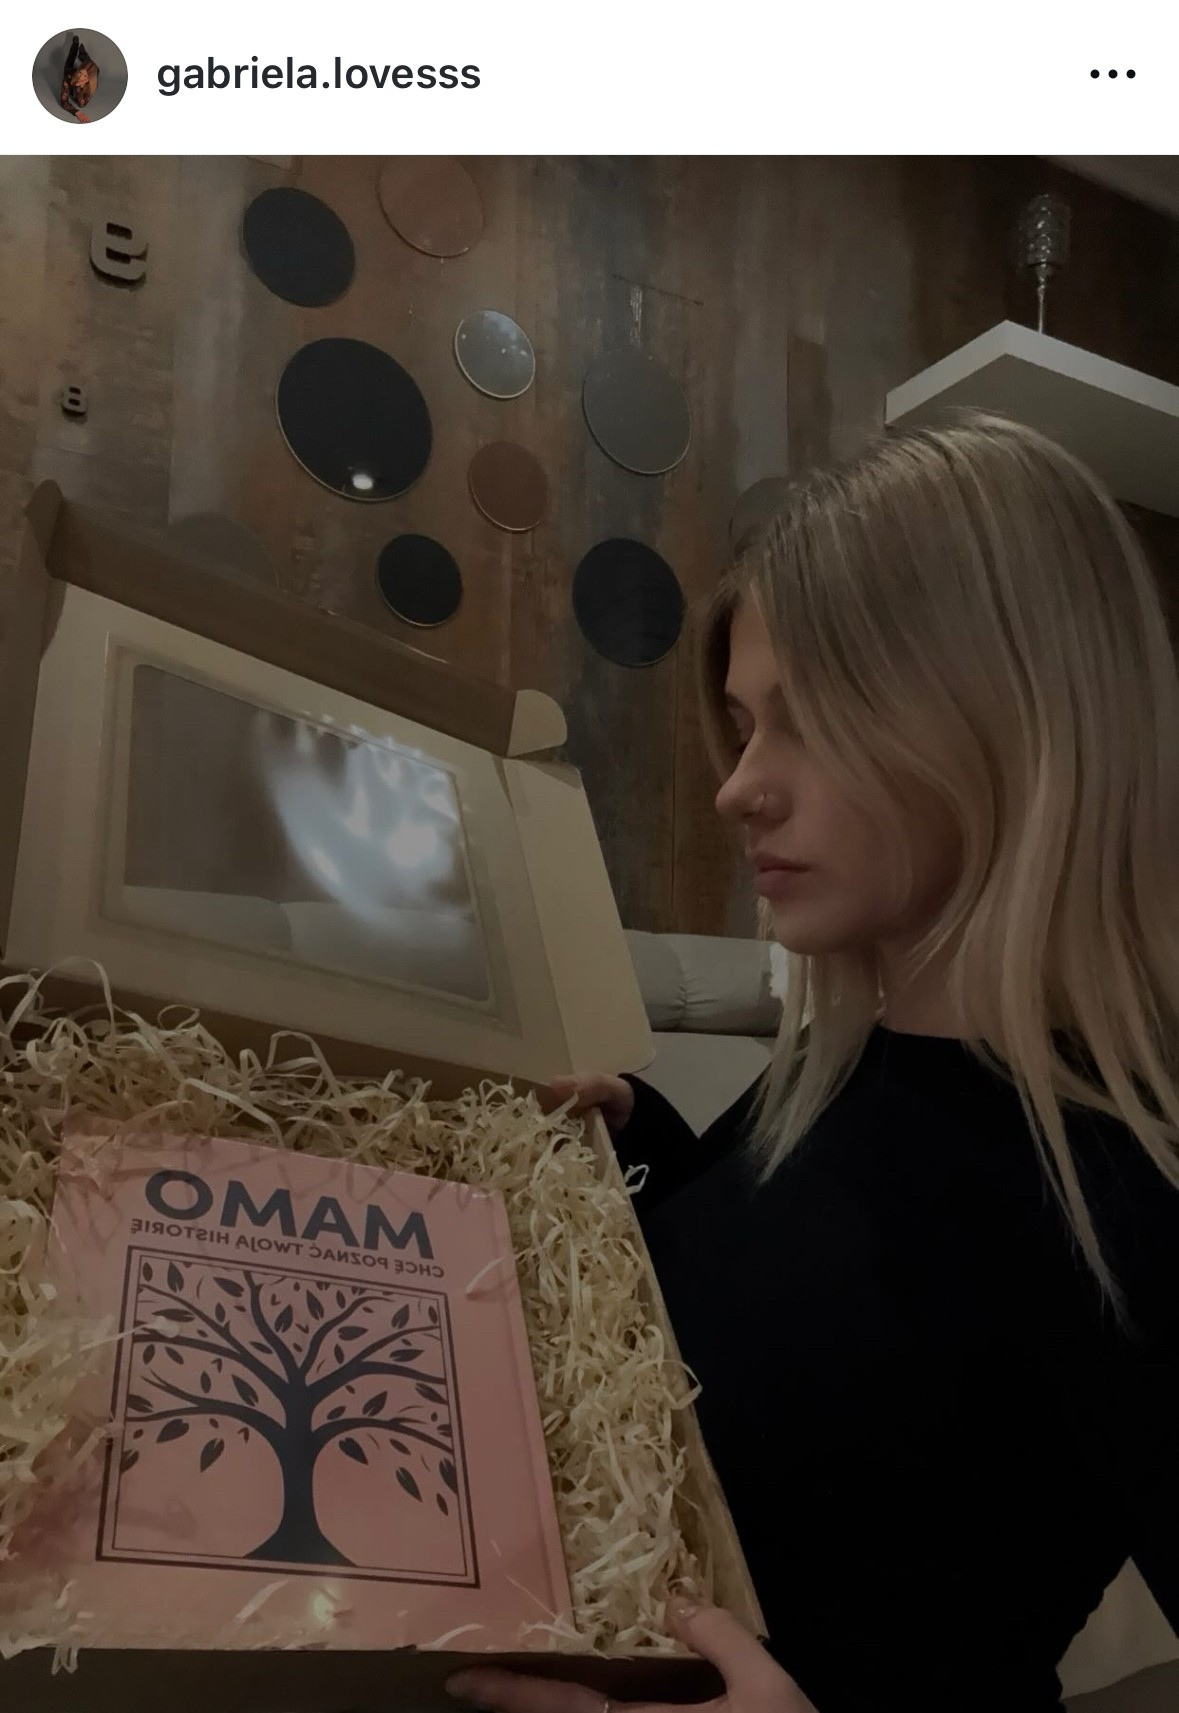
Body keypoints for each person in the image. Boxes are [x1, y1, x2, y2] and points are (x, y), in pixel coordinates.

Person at [447, 410, 1179, 1713]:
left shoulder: (1125, 1192)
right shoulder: (845, 1062)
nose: (737, 788)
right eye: (742, 724)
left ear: (1012, 724)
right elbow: (800, 1273)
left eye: (809, 720)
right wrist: (643, 1136)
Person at [58, 34, 100, 122]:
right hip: (71, 73)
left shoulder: (93, 84)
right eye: (80, 73)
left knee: (96, 69)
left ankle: (83, 55)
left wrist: (78, 87)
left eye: (85, 76)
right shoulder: (69, 77)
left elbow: (82, 104)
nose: (80, 77)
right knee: (69, 64)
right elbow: (64, 101)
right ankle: (75, 45)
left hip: (93, 75)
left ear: (89, 79)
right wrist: (77, 112)